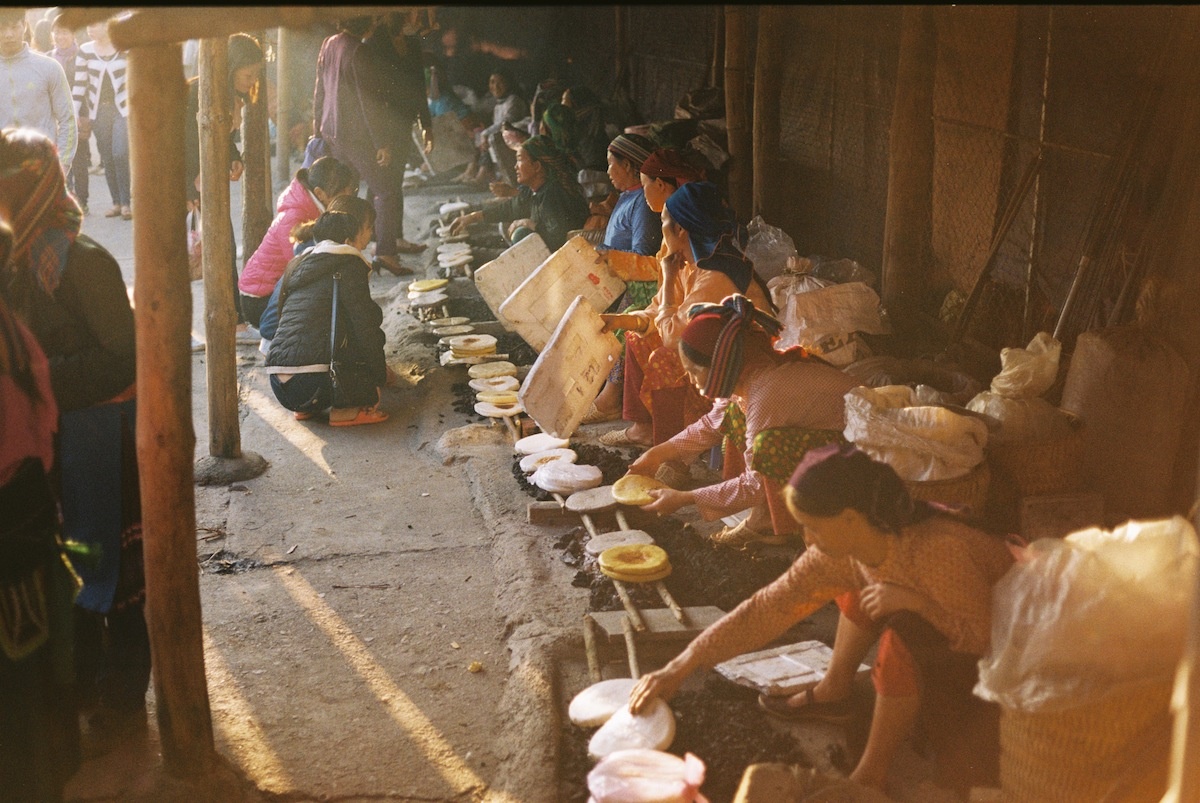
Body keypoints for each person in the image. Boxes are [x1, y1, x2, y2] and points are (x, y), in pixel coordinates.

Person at [629, 444, 1012, 794]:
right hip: (945, 612)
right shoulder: (852, 547)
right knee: (855, 590)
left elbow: (982, 635)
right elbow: (769, 607)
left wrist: (918, 604)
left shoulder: (939, 549)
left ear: (849, 519)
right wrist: (683, 664)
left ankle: (869, 776)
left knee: (899, 639)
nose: (807, 541)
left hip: (1007, 645)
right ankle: (834, 691)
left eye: (812, 527)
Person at [0, 128, 148, 752]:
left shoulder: (85, 262)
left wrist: (38, 381)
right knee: (74, 564)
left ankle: (123, 697)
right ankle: (84, 683)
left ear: (29, 187)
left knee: (114, 570)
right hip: (58, 434)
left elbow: (124, 358)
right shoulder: (16, 260)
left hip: (100, 436)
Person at [629, 295, 860, 547]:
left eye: (695, 371)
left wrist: (685, 498)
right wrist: (656, 455)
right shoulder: (747, 375)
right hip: (828, 441)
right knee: (733, 417)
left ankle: (787, 522)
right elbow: (711, 424)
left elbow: (754, 485)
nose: (693, 381)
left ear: (720, 365)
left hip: (858, 457)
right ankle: (767, 518)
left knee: (767, 446)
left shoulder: (765, 393)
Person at [0, 216, 82, 803]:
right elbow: (44, 420)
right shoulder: (11, 328)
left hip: (12, 518)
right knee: (30, 666)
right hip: (26, 510)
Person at [598, 180, 773, 450]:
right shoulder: (689, 264)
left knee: (665, 358)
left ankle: (672, 452)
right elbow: (659, 310)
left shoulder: (715, 274)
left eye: (664, 223)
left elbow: (672, 338)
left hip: (740, 369)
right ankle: (643, 429)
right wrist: (619, 321)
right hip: (714, 356)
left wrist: (667, 278)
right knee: (636, 338)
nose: (662, 231)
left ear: (680, 230)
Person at [265, 203, 391, 427]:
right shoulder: (349, 263)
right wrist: (379, 377)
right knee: (372, 387)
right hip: (311, 384)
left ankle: (307, 409)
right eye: (366, 231)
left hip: (280, 387)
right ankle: (346, 412)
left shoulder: (298, 263)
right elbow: (366, 327)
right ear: (348, 241)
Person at [313, 16, 416, 279]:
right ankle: (385, 252)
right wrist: (381, 142)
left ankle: (339, 254)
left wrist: (317, 130)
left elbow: (319, 92)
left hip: (333, 132)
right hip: (357, 137)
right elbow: (367, 102)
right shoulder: (358, 51)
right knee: (386, 191)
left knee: (343, 195)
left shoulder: (329, 44)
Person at [183, 32, 265, 341]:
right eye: (248, 75)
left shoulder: (229, 94)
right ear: (231, 68)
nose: (252, 81)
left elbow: (222, 137)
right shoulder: (198, 92)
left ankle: (236, 322)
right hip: (184, 183)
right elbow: (180, 141)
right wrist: (190, 185)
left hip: (206, 182)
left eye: (256, 75)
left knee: (222, 247)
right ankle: (182, 330)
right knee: (188, 257)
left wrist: (233, 157)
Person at [581, 133, 661, 425]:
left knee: (617, 323)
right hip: (618, 277)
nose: (608, 172)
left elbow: (643, 255)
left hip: (639, 284)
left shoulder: (642, 202)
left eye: (610, 164)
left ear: (627, 165)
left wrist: (609, 257)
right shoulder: (629, 196)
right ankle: (592, 383)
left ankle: (610, 398)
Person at [238, 156, 358, 329]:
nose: (347, 198)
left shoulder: (311, 208)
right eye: (342, 193)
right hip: (259, 300)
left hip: (271, 291)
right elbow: (304, 267)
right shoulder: (294, 216)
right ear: (319, 193)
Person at [355, 12, 431, 255]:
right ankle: (378, 239)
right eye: (410, 13)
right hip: (380, 125)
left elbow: (419, 85)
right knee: (382, 184)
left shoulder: (412, 43)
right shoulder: (372, 43)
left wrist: (426, 125)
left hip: (403, 122)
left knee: (393, 181)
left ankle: (390, 237)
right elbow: (369, 95)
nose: (415, 18)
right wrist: (379, 138)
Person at [448, 134, 588, 252]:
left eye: (520, 160)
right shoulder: (535, 191)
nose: (515, 166)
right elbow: (508, 208)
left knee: (522, 233)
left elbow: (559, 240)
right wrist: (471, 217)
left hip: (572, 258)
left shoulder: (553, 193)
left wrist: (531, 224)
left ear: (537, 166)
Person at [0, 9, 76, 173]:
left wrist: (62, 165)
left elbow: (68, 120)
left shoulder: (49, 67)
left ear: (24, 26)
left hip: (43, 168)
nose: (8, 34)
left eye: (14, 27)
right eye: (2, 28)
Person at [73, 20, 130, 220]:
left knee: (120, 153)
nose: (89, 29)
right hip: (98, 111)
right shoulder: (85, 51)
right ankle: (116, 202)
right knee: (107, 157)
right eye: (88, 25)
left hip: (123, 109)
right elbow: (80, 83)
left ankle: (127, 202)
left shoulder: (125, 47)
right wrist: (73, 111)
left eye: (95, 24)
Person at [47, 15, 88, 214]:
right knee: (59, 157)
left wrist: (78, 113)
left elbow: (85, 87)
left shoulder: (81, 56)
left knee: (79, 158)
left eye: (64, 32)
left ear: (73, 34)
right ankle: (67, 196)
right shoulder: (48, 58)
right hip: (54, 116)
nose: (60, 36)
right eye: (57, 32)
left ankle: (82, 199)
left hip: (78, 113)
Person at [456, 69, 525, 187]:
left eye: (500, 82)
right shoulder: (498, 103)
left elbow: (506, 122)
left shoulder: (514, 100)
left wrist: (486, 134)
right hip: (501, 136)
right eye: (492, 82)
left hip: (515, 137)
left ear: (508, 83)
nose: (495, 86)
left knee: (488, 137)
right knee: (479, 133)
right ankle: (473, 170)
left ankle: (481, 176)